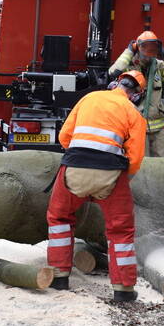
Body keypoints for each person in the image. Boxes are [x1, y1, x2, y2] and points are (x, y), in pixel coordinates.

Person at [46, 70, 148, 302]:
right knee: (120, 230)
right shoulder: (133, 113)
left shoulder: (88, 99)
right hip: (110, 173)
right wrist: (122, 178)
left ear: (115, 84)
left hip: (74, 168)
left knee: (59, 218)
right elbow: (135, 157)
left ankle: (59, 275)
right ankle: (123, 289)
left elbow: (64, 137)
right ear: (136, 95)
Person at [108, 30, 164, 157]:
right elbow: (113, 72)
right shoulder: (129, 67)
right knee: (141, 165)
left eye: (152, 51)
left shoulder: (158, 67)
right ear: (137, 49)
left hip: (157, 129)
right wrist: (129, 52)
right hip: (135, 129)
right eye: (145, 51)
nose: (148, 56)